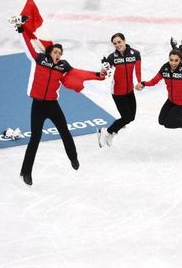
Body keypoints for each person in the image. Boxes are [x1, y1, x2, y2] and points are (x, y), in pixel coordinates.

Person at [14, 19, 106, 186]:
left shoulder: (63, 66)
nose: (58, 55)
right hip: (38, 105)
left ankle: (73, 158)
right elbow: (27, 46)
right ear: (50, 52)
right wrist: (21, 30)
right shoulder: (39, 59)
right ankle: (26, 172)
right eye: (56, 52)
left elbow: (79, 73)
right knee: (35, 138)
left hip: (52, 105)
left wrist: (98, 75)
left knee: (64, 131)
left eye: (60, 53)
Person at [135, 39, 182, 132]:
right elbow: (154, 81)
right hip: (171, 100)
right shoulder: (165, 68)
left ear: (180, 60)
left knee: (169, 123)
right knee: (162, 121)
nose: (173, 63)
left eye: (176, 60)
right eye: (171, 60)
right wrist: (143, 83)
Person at [97, 33, 141, 147]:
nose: (117, 45)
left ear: (124, 40)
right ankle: (106, 132)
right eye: (115, 43)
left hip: (130, 90)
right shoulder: (112, 57)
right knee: (126, 117)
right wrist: (104, 69)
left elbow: (138, 70)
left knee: (131, 117)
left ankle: (110, 132)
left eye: (119, 42)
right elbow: (106, 74)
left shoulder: (135, 54)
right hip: (118, 92)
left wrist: (140, 82)